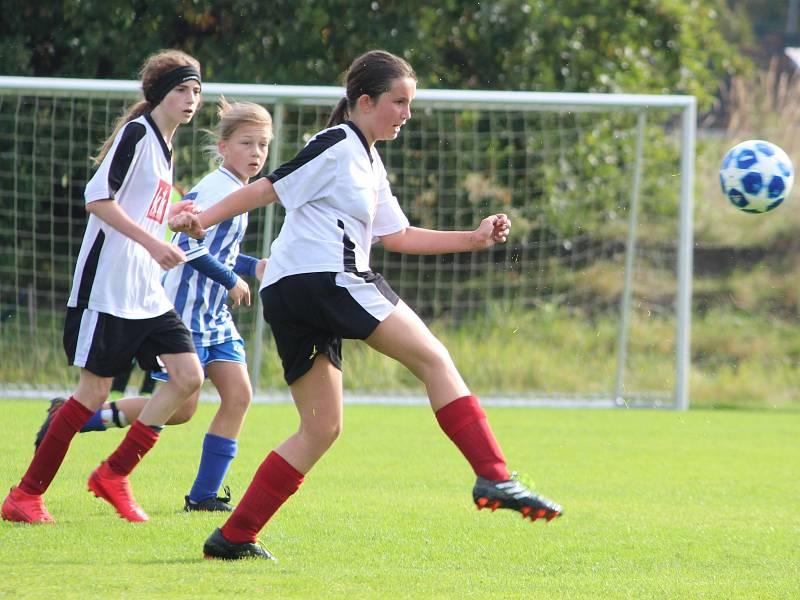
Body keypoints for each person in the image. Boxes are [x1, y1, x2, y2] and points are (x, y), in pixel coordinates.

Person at [172, 49, 563, 561]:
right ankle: (494, 477)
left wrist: (472, 238)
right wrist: (203, 218)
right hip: (327, 279)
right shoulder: (336, 142)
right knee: (435, 359)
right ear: (364, 101)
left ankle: (233, 536)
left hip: (294, 291)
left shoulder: (368, 158)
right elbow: (268, 188)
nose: (406, 113)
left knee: (320, 428)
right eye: (398, 102)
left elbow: (396, 234)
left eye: (409, 103)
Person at [34, 99, 272, 513]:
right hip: (184, 310)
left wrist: (253, 266)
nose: (256, 153)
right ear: (222, 147)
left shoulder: (240, 191)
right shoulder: (216, 188)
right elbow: (185, 244)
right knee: (182, 409)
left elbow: (220, 250)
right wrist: (230, 278)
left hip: (214, 316)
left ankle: (203, 497)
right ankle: (78, 419)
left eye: (263, 145)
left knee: (238, 395)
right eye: (246, 143)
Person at [1, 49, 205, 525]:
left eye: (196, 90)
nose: (190, 98)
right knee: (91, 393)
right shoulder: (138, 133)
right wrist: (153, 246)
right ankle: (25, 496)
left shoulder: (167, 147)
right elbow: (98, 199)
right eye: (181, 89)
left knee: (188, 378)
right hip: (108, 287)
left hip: (145, 291)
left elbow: (141, 215)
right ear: (158, 94)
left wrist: (174, 223)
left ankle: (114, 474)